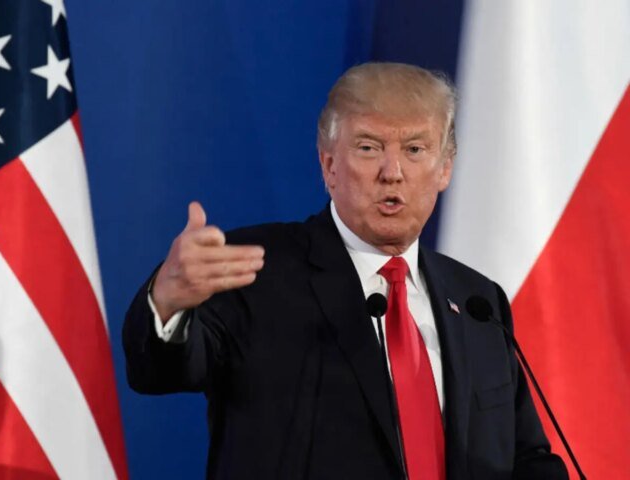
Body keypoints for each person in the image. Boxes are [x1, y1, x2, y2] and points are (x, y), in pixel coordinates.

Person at [123, 63, 568, 479]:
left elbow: (524, 456)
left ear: (445, 168)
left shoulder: (476, 301)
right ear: (329, 165)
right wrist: (168, 304)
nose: (392, 173)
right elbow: (160, 372)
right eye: (369, 148)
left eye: (415, 149)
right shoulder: (252, 271)